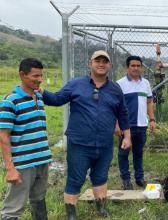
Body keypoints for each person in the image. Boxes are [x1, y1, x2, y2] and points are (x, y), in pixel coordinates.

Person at [40, 50, 131, 219]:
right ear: (90, 64)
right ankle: (71, 213)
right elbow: (57, 99)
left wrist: (127, 136)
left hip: (104, 144)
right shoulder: (76, 84)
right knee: (75, 178)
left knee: (101, 176)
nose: (101, 64)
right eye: (98, 61)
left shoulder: (115, 89)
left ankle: (101, 208)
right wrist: (40, 90)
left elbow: (123, 114)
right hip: (79, 144)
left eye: (105, 61)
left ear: (110, 65)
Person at [0, 58, 52, 220]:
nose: (40, 80)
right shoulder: (10, 101)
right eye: (35, 76)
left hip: (41, 161)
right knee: (13, 208)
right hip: (23, 164)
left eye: (41, 75)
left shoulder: (39, 97)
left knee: (38, 199)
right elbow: (3, 136)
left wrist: (45, 157)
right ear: (22, 75)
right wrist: (10, 168)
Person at [115, 56, 156, 190]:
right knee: (123, 154)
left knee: (138, 153)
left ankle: (139, 178)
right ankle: (126, 180)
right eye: (133, 65)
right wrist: (116, 124)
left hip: (141, 125)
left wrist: (152, 120)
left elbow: (149, 102)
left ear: (141, 67)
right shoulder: (120, 84)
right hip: (126, 126)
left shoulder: (146, 83)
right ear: (128, 67)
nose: (136, 68)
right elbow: (115, 106)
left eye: (138, 66)